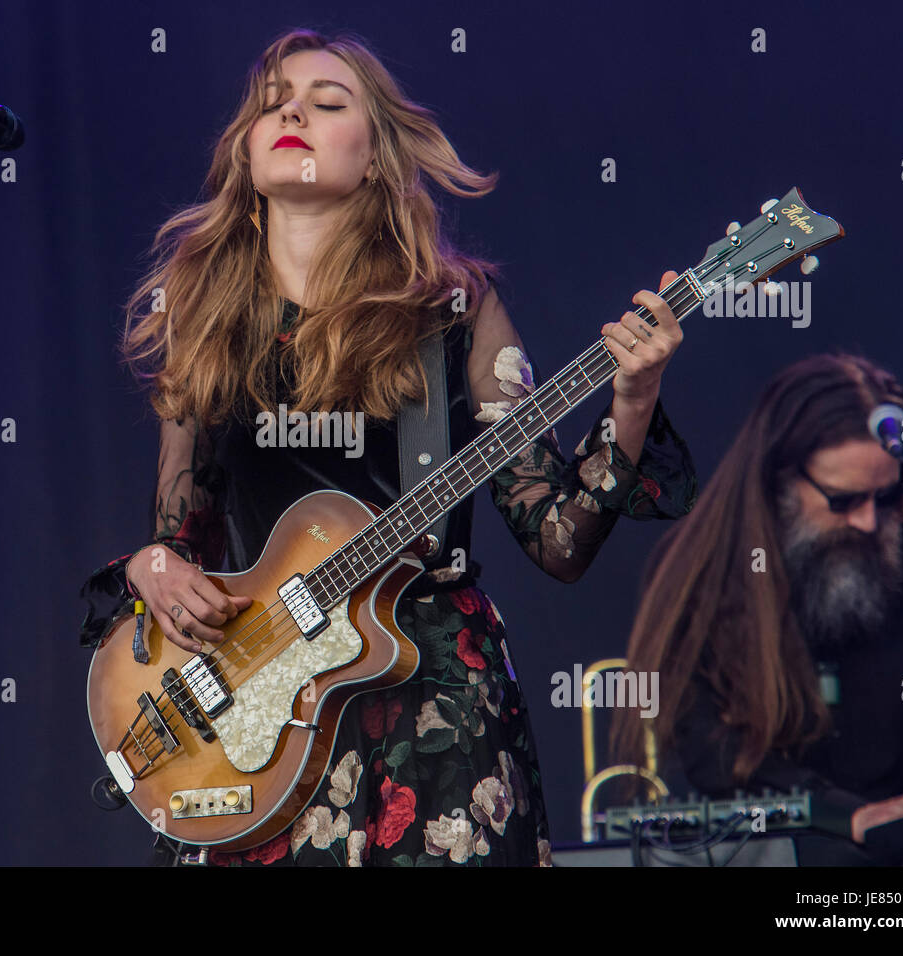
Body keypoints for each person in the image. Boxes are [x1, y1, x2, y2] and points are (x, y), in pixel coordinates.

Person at [79, 28, 697, 867]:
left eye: (328, 103)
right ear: (248, 149)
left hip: (433, 712)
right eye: (274, 102)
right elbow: (185, 536)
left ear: (374, 158)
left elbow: (558, 539)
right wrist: (155, 570)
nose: (292, 109)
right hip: (266, 708)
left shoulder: (454, 311)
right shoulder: (203, 316)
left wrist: (633, 397)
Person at [612, 352, 903, 865]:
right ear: (779, 477)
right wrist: (846, 815)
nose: (868, 521)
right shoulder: (701, 567)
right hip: (785, 849)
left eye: (886, 496)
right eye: (843, 501)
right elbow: (712, 753)